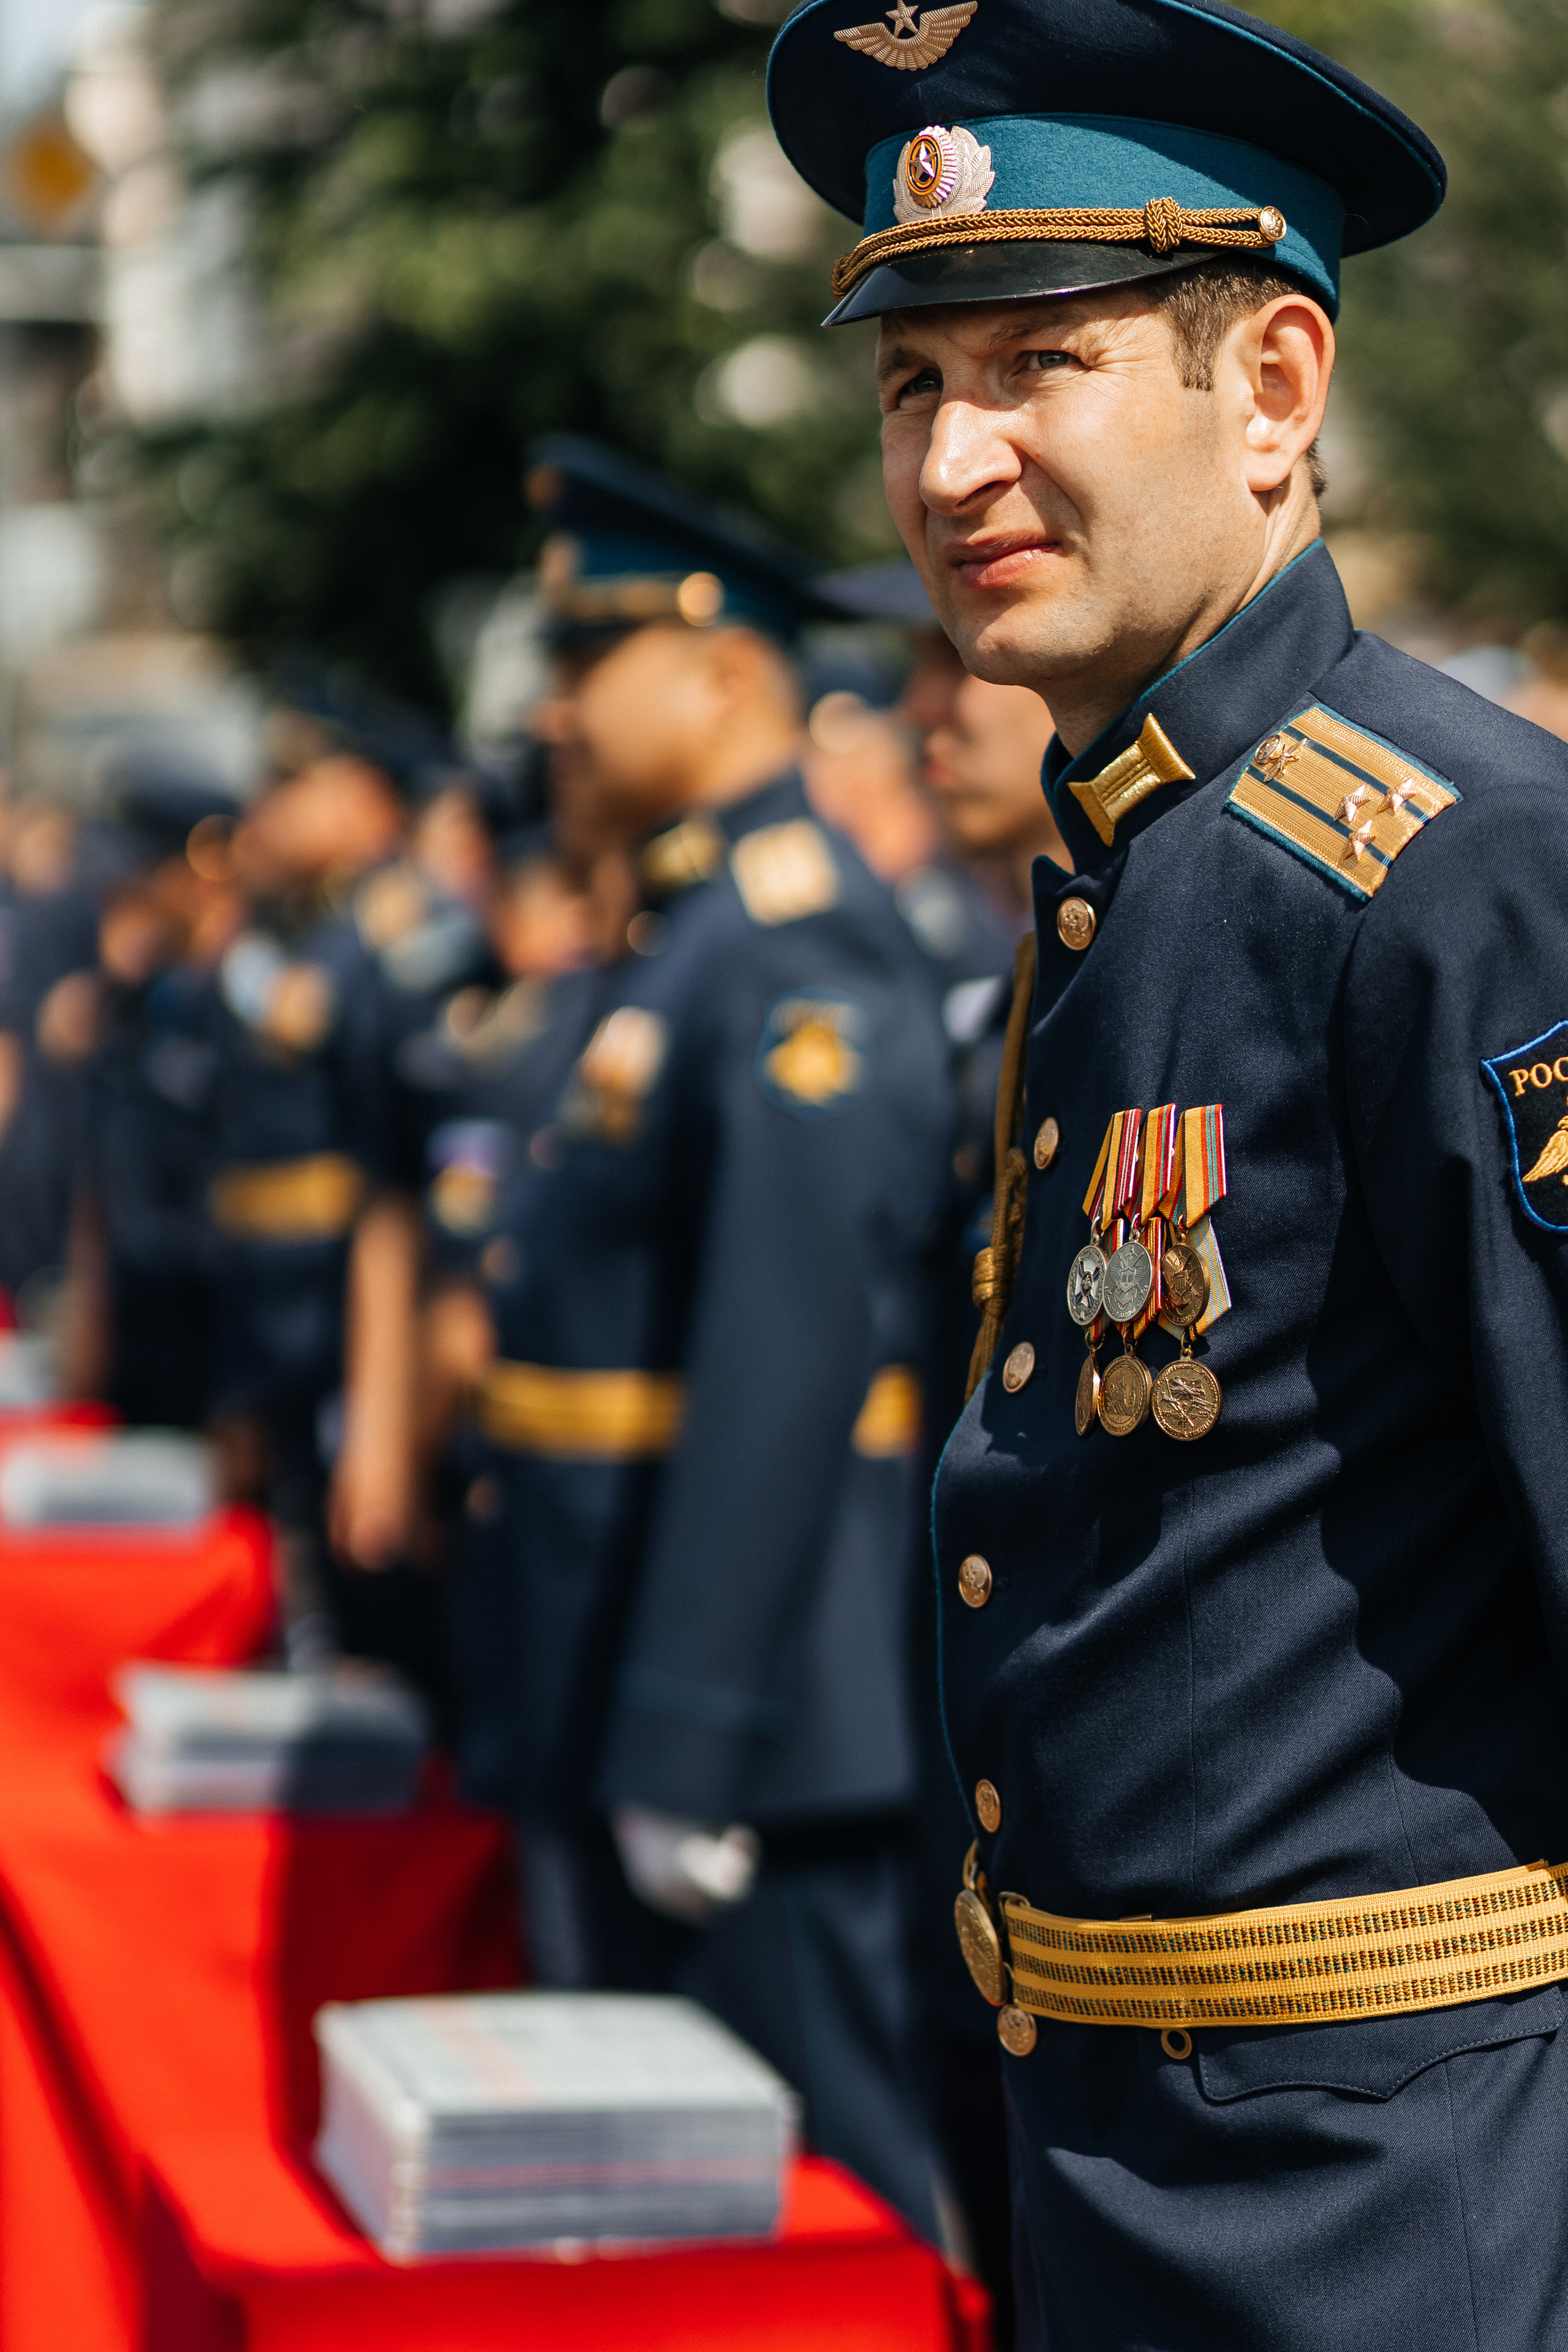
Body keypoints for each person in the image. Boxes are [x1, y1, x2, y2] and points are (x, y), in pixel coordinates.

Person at [769, 5, 1568, 2345]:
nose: (957, 460)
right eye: (913, 387)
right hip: (1122, 2145)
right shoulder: (1138, 857)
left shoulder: (1452, 868)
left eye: (1046, 361)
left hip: (1397, 2199)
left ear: (1277, 389)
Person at [448, 436, 956, 2237]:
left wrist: (687, 1733)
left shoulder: (790, 948)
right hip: (614, 1660)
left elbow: (782, 1360)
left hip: (744, 1723)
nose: (556, 712)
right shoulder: (688, 934)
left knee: (831, 2227)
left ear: (729, 669)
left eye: (592, 659)